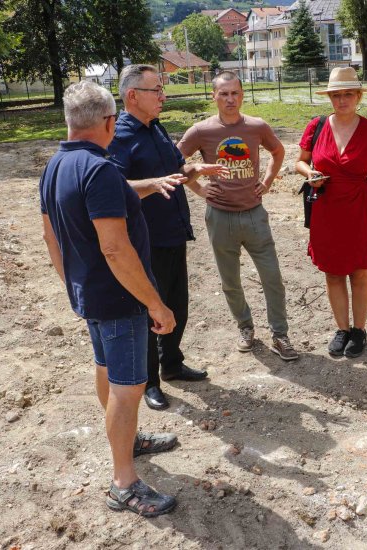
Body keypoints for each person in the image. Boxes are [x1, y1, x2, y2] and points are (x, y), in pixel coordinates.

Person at [40, 81, 203, 516]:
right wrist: (155, 302)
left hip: (90, 294)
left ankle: (128, 443)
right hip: (120, 300)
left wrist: (72, 283)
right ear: (110, 122)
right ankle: (124, 482)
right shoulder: (102, 171)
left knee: (106, 370)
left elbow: (51, 235)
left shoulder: (56, 165)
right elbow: (115, 248)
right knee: (128, 388)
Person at [109, 64, 225, 411]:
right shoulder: (119, 136)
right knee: (150, 312)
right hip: (145, 241)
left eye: (162, 89)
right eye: (155, 89)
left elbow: (175, 171)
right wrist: (151, 185)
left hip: (173, 234)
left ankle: (172, 363)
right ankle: (150, 382)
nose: (163, 95)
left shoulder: (156, 129)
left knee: (177, 306)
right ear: (133, 96)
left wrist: (194, 173)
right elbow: (114, 187)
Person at [176, 71, 299, 361]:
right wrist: (197, 188)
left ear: (242, 95)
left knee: (273, 277)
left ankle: (280, 334)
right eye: (224, 93)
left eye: (235, 93)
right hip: (219, 217)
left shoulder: (257, 126)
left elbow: (278, 151)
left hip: (255, 215)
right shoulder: (200, 131)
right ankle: (245, 327)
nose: (230, 99)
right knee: (230, 281)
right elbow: (173, 162)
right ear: (214, 96)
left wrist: (267, 182)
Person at [294, 67, 367, 358]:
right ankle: (342, 328)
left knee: (360, 272)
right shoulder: (317, 126)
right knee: (333, 273)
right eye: (336, 95)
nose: (342, 100)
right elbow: (299, 162)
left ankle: (359, 330)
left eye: (348, 93)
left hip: (359, 210)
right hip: (325, 210)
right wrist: (309, 172)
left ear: (358, 95)